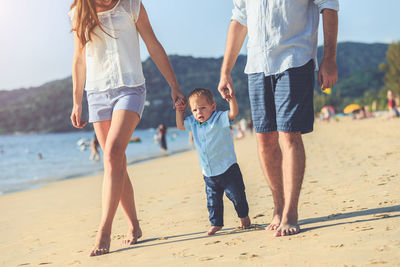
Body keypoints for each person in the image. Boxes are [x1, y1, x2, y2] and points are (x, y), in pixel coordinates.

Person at [68, 0, 185, 256]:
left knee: (111, 153)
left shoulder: (132, 5)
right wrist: (77, 101)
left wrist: (173, 85)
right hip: (96, 94)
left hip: (130, 87)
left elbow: (153, 45)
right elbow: (79, 59)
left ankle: (104, 230)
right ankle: (134, 226)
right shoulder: (79, 11)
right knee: (115, 160)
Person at [218, 0, 339, 237]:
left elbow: (329, 5)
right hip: (257, 63)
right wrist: (225, 71)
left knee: (289, 135)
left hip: (294, 58)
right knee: (264, 140)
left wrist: (330, 58)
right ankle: (279, 206)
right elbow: (239, 20)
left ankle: (290, 213)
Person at [176, 88, 251, 235]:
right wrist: (180, 111)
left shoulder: (218, 118)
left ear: (213, 106)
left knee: (237, 196)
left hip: (228, 168)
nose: (199, 112)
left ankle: (244, 218)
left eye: (203, 108)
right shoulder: (193, 122)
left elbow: (233, 114)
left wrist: (231, 100)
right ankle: (216, 223)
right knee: (213, 201)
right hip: (208, 172)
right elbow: (180, 126)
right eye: (195, 110)